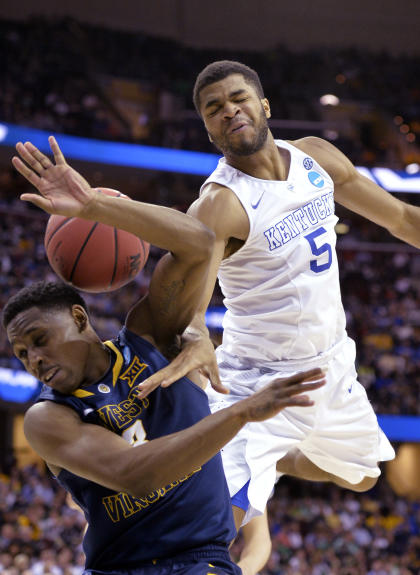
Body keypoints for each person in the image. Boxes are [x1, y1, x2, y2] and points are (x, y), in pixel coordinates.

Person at [4, 136, 326, 574]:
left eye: (39, 340)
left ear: (79, 317)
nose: (33, 359)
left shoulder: (151, 336)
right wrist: (241, 413)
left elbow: (199, 241)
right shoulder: (48, 418)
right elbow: (137, 475)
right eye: (21, 353)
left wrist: (95, 208)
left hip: (200, 561)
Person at [136, 60, 420, 528]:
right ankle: (253, 455)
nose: (229, 111)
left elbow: (401, 219)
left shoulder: (317, 159)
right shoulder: (218, 204)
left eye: (237, 98)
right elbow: (194, 301)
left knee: (363, 477)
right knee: (214, 524)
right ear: (208, 129)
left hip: (331, 362)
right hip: (257, 379)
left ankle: (279, 458)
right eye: (214, 109)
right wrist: (196, 336)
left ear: (263, 104)